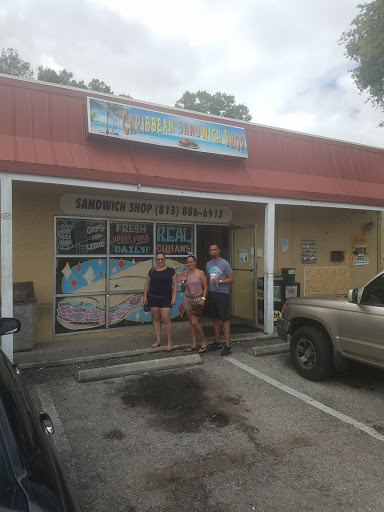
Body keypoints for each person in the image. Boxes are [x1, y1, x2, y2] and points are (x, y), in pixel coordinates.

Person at [143, 252, 177, 351]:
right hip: (153, 298)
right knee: (156, 318)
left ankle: (170, 342)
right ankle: (158, 340)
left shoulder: (171, 271)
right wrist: (145, 296)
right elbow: (147, 284)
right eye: (158, 259)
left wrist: (174, 297)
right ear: (156, 260)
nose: (160, 261)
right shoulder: (152, 271)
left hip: (166, 298)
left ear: (165, 259)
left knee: (166, 319)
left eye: (162, 259)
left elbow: (175, 285)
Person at [206, 244, 234, 356]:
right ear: (209, 252)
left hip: (222, 294)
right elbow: (208, 279)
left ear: (219, 251)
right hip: (212, 293)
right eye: (211, 250)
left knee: (224, 319)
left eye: (215, 250)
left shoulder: (225, 263)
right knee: (215, 319)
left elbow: (232, 278)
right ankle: (217, 342)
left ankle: (228, 345)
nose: (213, 251)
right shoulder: (208, 264)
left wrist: (221, 281)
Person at [181, 255, 208, 353]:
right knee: (191, 323)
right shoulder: (186, 274)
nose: (190, 264)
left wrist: (203, 299)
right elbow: (182, 289)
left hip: (198, 299)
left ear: (195, 262)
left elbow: (205, 287)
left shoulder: (200, 272)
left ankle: (204, 342)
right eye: (188, 262)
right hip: (188, 299)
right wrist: (183, 280)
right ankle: (194, 344)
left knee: (195, 322)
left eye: (191, 262)